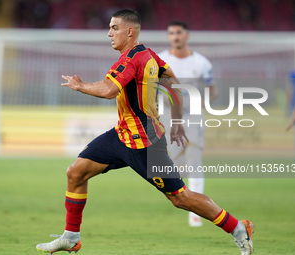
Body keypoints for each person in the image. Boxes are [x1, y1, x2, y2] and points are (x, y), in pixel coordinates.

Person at [36, 9, 254, 255]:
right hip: (121, 136)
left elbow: (109, 90)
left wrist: (80, 86)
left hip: (145, 143)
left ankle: (238, 228)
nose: (109, 33)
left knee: (180, 198)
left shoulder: (132, 59)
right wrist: (178, 122)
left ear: (130, 31)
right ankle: (71, 237)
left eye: (114, 28)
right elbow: (173, 84)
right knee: (76, 173)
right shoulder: (150, 56)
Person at [158, 21, 218, 227]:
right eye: (171, 33)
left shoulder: (201, 63)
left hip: (192, 115)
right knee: (172, 160)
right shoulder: (160, 60)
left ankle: (196, 212)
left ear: (187, 35)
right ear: (168, 36)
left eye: (179, 32)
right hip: (167, 114)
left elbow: (213, 90)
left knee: (194, 157)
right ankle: (182, 199)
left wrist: (202, 103)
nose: (175, 36)